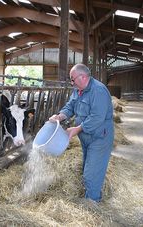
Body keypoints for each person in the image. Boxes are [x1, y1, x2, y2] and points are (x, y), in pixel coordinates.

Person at [49, 63, 114, 202]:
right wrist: (60, 116)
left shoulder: (98, 91)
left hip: (99, 138)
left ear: (83, 77)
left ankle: (92, 204)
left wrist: (77, 129)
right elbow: (71, 106)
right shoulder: (78, 90)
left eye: (72, 79)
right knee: (87, 168)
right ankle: (91, 195)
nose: (71, 82)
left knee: (92, 173)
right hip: (86, 138)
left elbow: (97, 117)